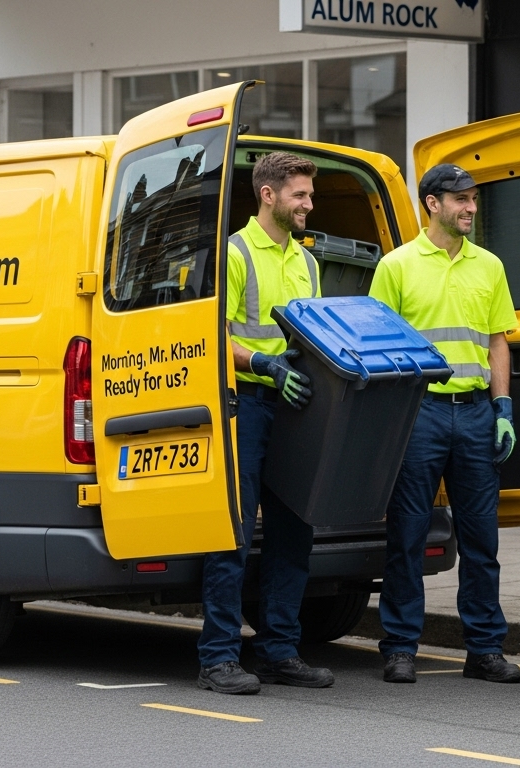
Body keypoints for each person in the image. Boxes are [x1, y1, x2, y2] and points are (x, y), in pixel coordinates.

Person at [368, 163, 520, 685]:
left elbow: (498, 341)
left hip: (476, 413)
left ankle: (485, 649)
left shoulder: (490, 266)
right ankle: (400, 648)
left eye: (473, 198)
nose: (471, 207)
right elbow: (379, 345)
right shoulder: (396, 266)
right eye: (461, 199)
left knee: (482, 539)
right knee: (407, 534)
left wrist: (503, 407)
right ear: (432, 204)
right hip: (420, 413)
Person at [197, 151, 333, 695]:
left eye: (310, 195)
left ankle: (279, 651)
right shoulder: (234, 254)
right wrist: (263, 363)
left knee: (293, 532)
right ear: (268, 195)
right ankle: (217, 658)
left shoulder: (308, 262)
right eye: (300, 195)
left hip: (295, 407)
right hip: (246, 406)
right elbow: (213, 335)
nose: (309, 204)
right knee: (231, 533)